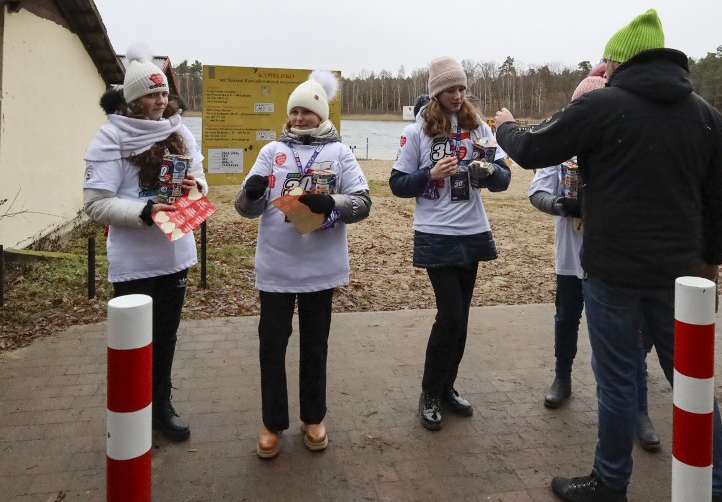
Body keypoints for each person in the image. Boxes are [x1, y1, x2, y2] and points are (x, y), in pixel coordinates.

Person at [494, 9, 722, 502]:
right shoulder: (706, 116)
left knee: (618, 381)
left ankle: (610, 481)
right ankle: (718, 488)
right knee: (693, 385)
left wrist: (506, 125)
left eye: (605, 62)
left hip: (612, 275)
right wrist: (709, 266)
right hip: (683, 278)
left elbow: (532, 149)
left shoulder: (603, 106)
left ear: (615, 63)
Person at [234, 71, 371, 459]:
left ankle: (314, 418)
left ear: (321, 114)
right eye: (293, 112)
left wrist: (334, 204)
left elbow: (363, 203)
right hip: (276, 265)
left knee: (315, 345)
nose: (298, 118)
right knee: (271, 345)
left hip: (320, 266)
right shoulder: (271, 151)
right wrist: (253, 193)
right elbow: (245, 208)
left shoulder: (340, 153)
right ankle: (271, 422)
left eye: (306, 112)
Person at [529, 71, 661, 452]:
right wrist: (565, 205)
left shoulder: (625, 144)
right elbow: (537, 191)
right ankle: (562, 378)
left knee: (630, 334)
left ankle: (639, 409)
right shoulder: (562, 144)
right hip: (572, 255)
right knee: (566, 318)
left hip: (617, 257)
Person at [84, 44, 206, 442]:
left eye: (164, 93)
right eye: (152, 94)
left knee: (167, 335)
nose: (160, 100)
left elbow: (200, 181)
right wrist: (145, 212)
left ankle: (161, 406)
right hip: (134, 259)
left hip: (175, 252)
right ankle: (130, 412)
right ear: (133, 99)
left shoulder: (179, 130)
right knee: (133, 341)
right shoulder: (111, 136)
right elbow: (96, 204)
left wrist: (193, 187)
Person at [390, 56, 512, 431]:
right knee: (451, 315)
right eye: (450, 89)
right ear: (436, 92)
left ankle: (447, 387)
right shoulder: (418, 133)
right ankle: (429, 393)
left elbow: (504, 177)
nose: (458, 95)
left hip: (472, 230)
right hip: (436, 231)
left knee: (462, 319)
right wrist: (430, 173)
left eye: (461, 88)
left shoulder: (478, 129)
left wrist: (488, 172)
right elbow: (397, 184)